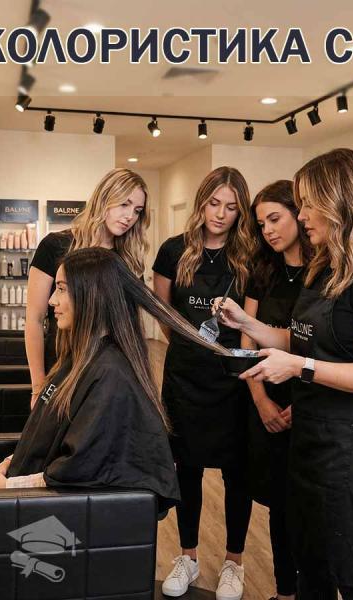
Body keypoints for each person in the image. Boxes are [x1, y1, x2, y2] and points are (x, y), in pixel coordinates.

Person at [0, 247, 231, 600]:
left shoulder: (111, 377)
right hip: (19, 484)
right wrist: (7, 464)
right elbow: (48, 437)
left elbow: (78, 471)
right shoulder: (80, 357)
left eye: (61, 289)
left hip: (37, 507)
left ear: (91, 296)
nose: (51, 301)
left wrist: (7, 486)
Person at [215, 149, 353, 600]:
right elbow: (299, 339)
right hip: (312, 445)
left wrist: (300, 368)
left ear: (339, 200)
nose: (301, 215)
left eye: (308, 204)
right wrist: (248, 325)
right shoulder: (324, 267)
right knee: (311, 572)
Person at [153, 166, 257, 600]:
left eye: (231, 207)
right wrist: (191, 348)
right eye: (214, 203)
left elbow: (252, 322)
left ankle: (234, 562)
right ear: (201, 202)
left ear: (240, 212)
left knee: (238, 473)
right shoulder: (172, 251)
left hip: (233, 380)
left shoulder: (249, 255)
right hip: (185, 378)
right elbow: (163, 314)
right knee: (188, 468)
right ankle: (188, 557)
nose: (220, 214)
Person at [242, 180, 313, 600]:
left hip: (314, 402)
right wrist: (260, 400)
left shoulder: (324, 273)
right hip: (267, 400)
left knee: (309, 509)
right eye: (261, 223)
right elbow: (248, 340)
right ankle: (285, 593)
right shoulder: (262, 271)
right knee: (279, 505)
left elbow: (322, 347)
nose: (268, 230)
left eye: (275, 219)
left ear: (298, 215)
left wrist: (305, 406)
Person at [26, 168, 149, 405]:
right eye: (124, 204)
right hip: (62, 368)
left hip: (111, 376)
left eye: (137, 210)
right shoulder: (56, 245)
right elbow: (34, 319)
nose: (129, 216)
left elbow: (134, 326)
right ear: (104, 199)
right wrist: (37, 387)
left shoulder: (129, 259)